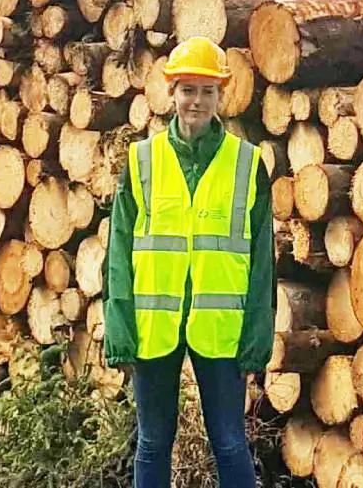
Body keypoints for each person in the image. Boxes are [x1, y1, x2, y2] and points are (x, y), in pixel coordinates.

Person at [102, 36, 275, 488]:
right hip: (152, 326)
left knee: (230, 444)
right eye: (187, 89)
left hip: (221, 328)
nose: (197, 100)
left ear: (222, 95)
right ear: (171, 92)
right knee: (153, 444)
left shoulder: (248, 163)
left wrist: (257, 337)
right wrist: (119, 332)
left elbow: (262, 264)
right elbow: (118, 253)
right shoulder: (140, 161)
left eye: (207, 91)